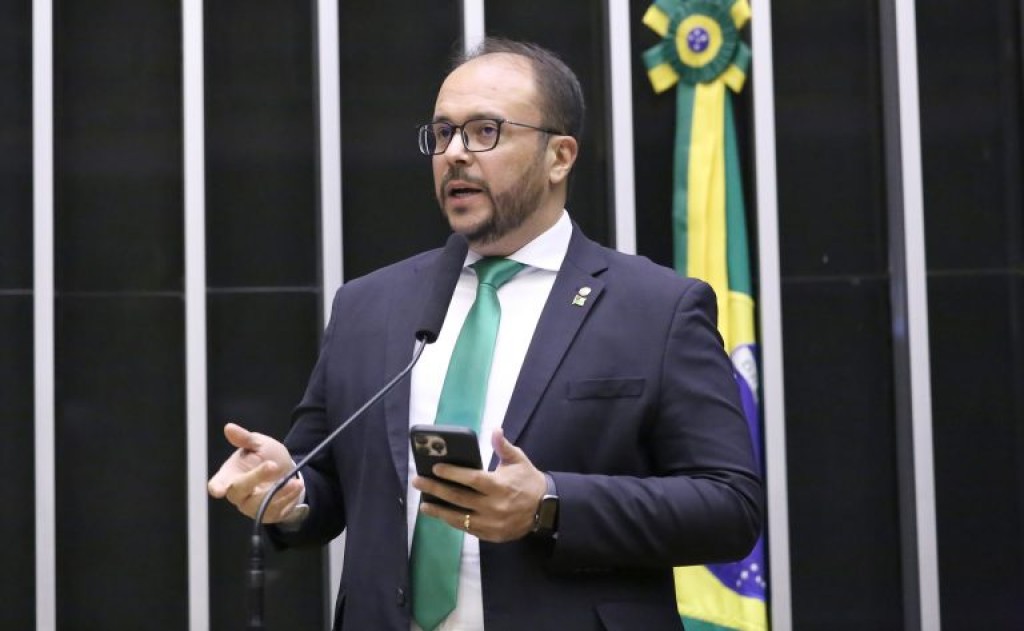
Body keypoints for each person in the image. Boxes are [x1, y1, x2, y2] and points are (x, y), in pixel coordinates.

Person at [208, 38, 763, 631]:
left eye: (484, 132)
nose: (454, 154)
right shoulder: (369, 306)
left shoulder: (655, 308)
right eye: (442, 133)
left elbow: (729, 507)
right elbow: (325, 480)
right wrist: (288, 490)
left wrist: (550, 503)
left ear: (559, 157)